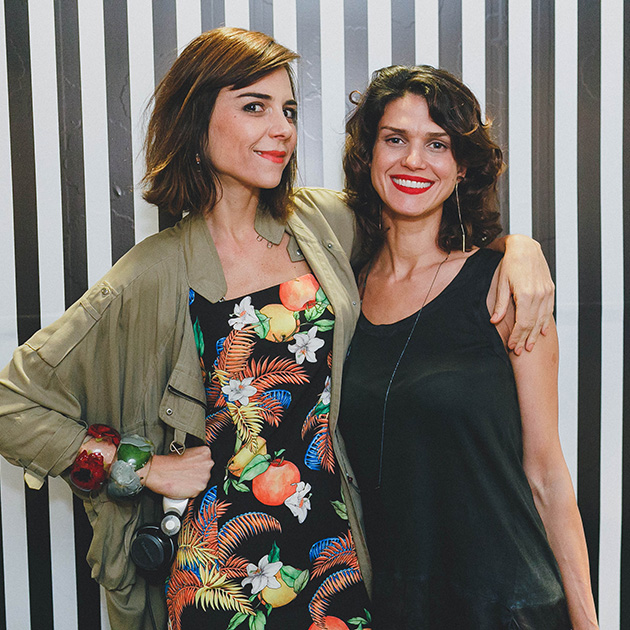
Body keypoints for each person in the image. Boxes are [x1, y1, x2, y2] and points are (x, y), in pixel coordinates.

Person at [0, 30, 552, 630]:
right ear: (197, 118)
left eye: (287, 110)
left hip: (339, 569)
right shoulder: (153, 272)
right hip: (222, 582)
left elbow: (423, 223)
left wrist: (517, 249)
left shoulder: (323, 222)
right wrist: (141, 467)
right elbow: (11, 404)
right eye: (254, 106)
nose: (282, 128)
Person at [339, 65, 598, 629]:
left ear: (461, 167)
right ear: (368, 155)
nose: (414, 160)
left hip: (508, 607)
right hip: (395, 609)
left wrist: (587, 622)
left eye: (438, 144)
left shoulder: (505, 290)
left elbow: (547, 476)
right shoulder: (339, 298)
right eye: (395, 139)